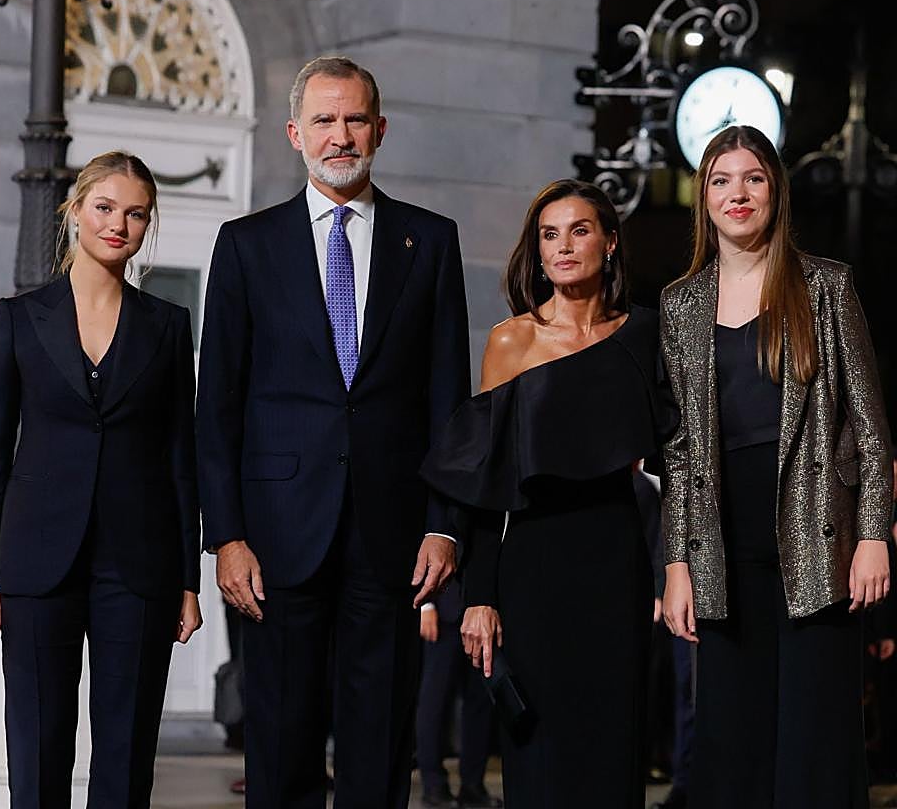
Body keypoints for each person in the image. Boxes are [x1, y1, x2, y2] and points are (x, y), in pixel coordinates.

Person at [196, 55, 471, 809]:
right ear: (295, 133)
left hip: (395, 537)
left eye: (354, 119)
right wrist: (226, 536)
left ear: (380, 129)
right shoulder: (246, 244)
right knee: (280, 745)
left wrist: (444, 525)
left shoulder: (430, 241)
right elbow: (217, 405)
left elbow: (450, 400)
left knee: (378, 748)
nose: (340, 136)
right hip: (275, 539)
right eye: (324, 120)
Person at [421, 178, 676, 808]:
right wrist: (480, 597)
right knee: (539, 755)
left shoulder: (646, 334)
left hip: (616, 563)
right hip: (532, 568)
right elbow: (485, 480)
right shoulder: (512, 341)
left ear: (609, 243)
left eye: (579, 230)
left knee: (614, 748)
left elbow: (677, 461)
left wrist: (677, 568)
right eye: (549, 235)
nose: (563, 246)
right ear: (536, 251)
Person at [659, 125, 892, 809]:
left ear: (775, 191)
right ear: (704, 196)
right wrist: (676, 563)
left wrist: (873, 536)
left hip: (819, 537)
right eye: (722, 180)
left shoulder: (825, 286)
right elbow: (679, 452)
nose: (738, 193)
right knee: (733, 743)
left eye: (753, 178)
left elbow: (870, 427)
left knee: (815, 742)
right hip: (723, 548)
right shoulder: (680, 304)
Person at [0, 151, 201, 809]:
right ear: (74, 211)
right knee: (37, 747)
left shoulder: (167, 325)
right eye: (105, 207)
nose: (118, 225)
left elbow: (180, 457)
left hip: (141, 566)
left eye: (136, 214)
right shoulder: (20, 317)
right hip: (36, 560)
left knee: (127, 756)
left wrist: (188, 578)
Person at [415, 576, 500, 808]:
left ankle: (473, 785)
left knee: (480, 702)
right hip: (443, 609)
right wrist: (426, 605)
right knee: (434, 701)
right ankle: (433, 784)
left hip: (482, 612)